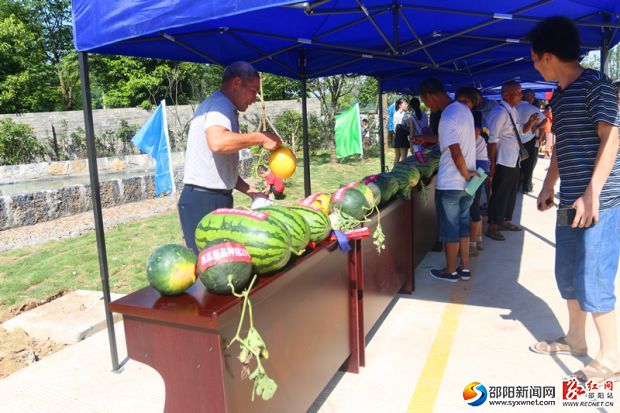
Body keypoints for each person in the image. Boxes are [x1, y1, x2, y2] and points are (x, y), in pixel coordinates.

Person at [527, 16, 620, 383]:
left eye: (534, 58)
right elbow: (563, 146)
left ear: (547, 56)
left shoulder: (595, 85)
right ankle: (576, 339)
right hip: (570, 200)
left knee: (593, 276)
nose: (533, 64)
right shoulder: (561, 97)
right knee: (566, 273)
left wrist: (591, 194)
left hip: (602, 201)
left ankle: (611, 356)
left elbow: (611, 138)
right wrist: (550, 183)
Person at [178, 61, 282, 254]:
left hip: (214, 197)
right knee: (210, 269)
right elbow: (217, 143)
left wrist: (251, 191)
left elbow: (221, 168)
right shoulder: (219, 105)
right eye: (253, 90)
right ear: (236, 83)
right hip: (204, 200)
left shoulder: (224, 107)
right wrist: (260, 137)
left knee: (225, 263)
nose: (254, 98)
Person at [419, 78, 478, 282]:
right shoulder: (464, 110)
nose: (428, 107)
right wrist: (468, 175)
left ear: (431, 95)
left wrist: (465, 173)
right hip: (467, 184)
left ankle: (450, 270)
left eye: (426, 102)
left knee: (450, 228)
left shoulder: (446, 116)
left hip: (452, 183)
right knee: (463, 224)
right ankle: (465, 268)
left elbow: (455, 150)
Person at [485, 80, 538, 241]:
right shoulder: (500, 112)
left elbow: (520, 131)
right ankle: (493, 226)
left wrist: (530, 122)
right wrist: (492, 163)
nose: (521, 96)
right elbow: (492, 140)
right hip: (502, 160)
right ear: (507, 95)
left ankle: (504, 220)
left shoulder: (512, 110)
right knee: (500, 193)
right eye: (519, 93)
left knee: (510, 193)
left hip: (513, 159)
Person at [455, 87, 489, 257]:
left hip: (478, 166)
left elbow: (474, 135)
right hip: (473, 163)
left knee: (473, 204)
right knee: (473, 201)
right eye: (459, 101)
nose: (462, 105)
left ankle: (473, 244)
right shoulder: (460, 116)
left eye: (465, 101)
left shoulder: (474, 116)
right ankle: (480, 237)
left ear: (473, 102)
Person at [517, 89, 547, 193]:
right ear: (529, 97)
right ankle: (526, 186)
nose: (533, 99)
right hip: (529, 140)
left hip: (515, 140)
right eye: (533, 97)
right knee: (529, 165)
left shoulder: (514, 107)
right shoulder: (533, 108)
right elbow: (545, 120)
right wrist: (537, 126)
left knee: (516, 164)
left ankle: (516, 186)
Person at [392, 97, 414, 164]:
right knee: (404, 158)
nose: (407, 105)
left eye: (407, 104)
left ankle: (393, 172)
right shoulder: (404, 114)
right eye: (405, 104)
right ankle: (402, 173)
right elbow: (408, 125)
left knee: (397, 156)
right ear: (400, 105)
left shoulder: (395, 113)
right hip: (403, 138)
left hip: (396, 137)